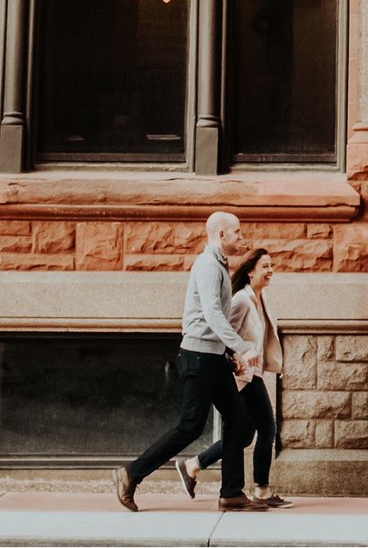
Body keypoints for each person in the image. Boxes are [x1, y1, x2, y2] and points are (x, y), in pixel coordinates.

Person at [116, 211, 259, 511]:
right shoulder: (208, 266)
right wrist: (242, 347)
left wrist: (228, 354)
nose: (242, 238)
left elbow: (215, 322)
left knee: (241, 424)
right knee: (191, 427)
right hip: (198, 357)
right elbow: (212, 315)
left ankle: (231, 491)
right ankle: (131, 474)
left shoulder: (218, 265)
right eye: (237, 233)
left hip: (212, 357)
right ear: (222, 235)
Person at [181, 251, 287, 508]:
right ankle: (261, 490)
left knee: (246, 433)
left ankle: (193, 465)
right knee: (267, 428)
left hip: (254, 372)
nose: (270, 270)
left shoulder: (260, 299)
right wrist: (236, 358)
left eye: (271, 265)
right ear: (250, 271)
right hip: (244, 375)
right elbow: (224, 331)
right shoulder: (241, 300)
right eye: (265, 266)